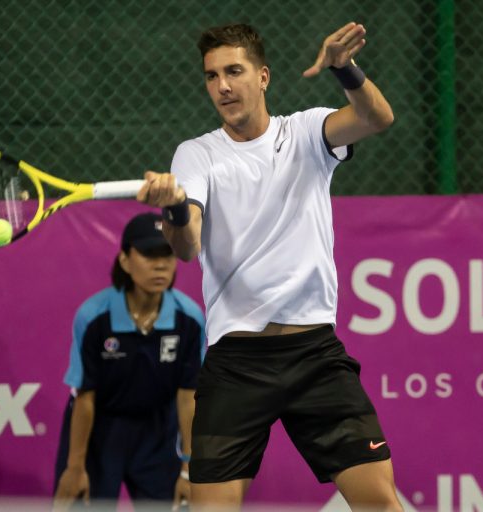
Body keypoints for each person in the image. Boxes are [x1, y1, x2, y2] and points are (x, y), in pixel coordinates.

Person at [138, 22, 401, 511]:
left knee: (380, 503)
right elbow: (187, 246)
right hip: (236, 361)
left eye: (234, 71)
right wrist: (173, 209)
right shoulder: (197, 154)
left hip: (315, 355)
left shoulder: (306, 132)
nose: (222, 86)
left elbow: (377, 117)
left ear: (263, 77)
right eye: (212, 76)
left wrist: (344, 68)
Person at [53, 212, 205, 511]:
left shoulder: (189, 319)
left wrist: (189, 469)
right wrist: (75, 467)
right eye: (149, 254)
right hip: (100, 431)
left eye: (167, 254)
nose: (160, 265)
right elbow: (85, 397)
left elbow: (188, 398)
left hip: (158, 434)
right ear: (125, 260)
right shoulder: (94, 317)